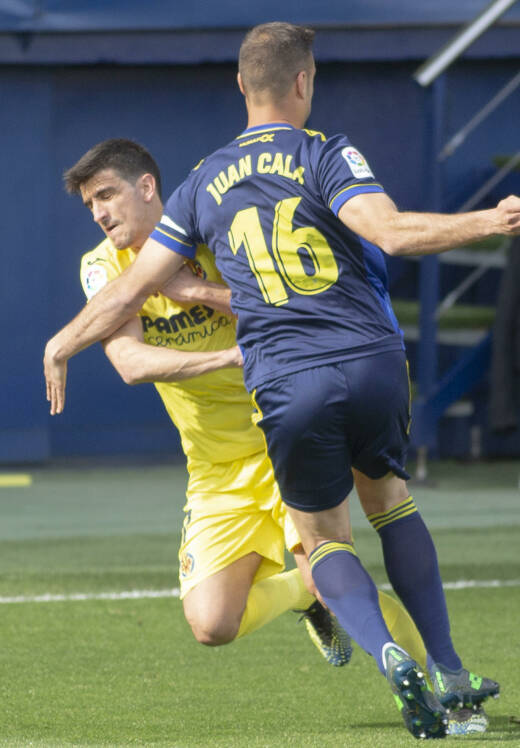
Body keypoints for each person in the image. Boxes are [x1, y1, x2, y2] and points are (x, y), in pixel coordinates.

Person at [44, 24, 520, 740]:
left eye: (105, 196)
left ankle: (397, 662)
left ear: (240, 88)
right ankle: (448, 673)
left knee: (329, 540)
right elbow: (394, 234)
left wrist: (63, 342)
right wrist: (490, 221)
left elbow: (137, 303)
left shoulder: (199, 193)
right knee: (383, 511)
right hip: (353, 368)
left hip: (283, 394)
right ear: (304, 82)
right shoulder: (326, 152)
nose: (98, 214)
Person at [60, 138, 445, 713]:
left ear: (147, 187)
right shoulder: (101, 267)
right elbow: (131, 363)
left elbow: (277, 300)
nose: (100, 214)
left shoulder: (213, 232)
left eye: (107, 195)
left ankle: (440, 686)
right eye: (90, 204)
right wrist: (225, 358)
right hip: (214, 466)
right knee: (212, 624)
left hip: (284, 431)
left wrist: (192, 291)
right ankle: (302, 598)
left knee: (327, 572)